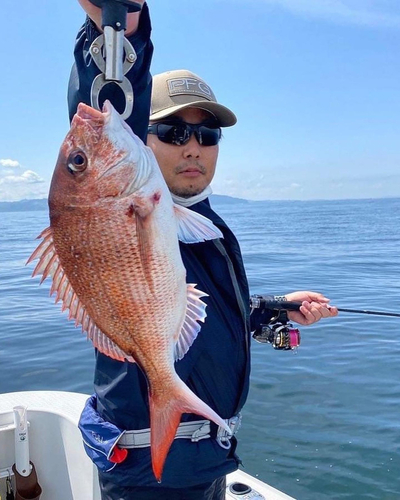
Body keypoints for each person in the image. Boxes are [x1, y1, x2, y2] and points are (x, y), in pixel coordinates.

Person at [69, 2, 338, 499]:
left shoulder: (203, 223)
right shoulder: (128, 209)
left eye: (207, 134)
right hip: (151, 478)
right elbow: (103, 110)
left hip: (205, 459)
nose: (193, 146)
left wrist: (270, 310)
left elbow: (189, 309)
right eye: (173, 132)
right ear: (139, 139)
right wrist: (118, 29)